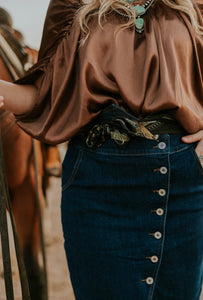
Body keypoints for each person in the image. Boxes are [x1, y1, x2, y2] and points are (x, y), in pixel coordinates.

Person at [0, 0, 203, 299]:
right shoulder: (70, 5)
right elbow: (42, 95)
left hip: (185, 190)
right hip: (98, 186)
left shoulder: (192, 5)